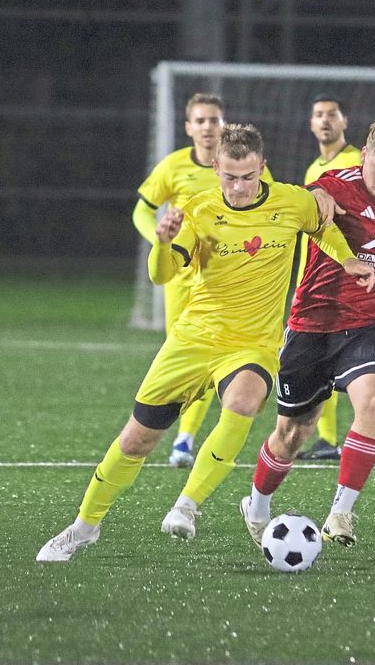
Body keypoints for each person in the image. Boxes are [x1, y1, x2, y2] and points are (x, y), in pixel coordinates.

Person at [38, 124, 374, 561]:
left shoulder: (292, 201)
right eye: (230, 176)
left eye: (248, 176)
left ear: (262, 167)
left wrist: (347, 259)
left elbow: (322, 227)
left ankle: (187, 505)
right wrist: (161, 244)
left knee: (244, 401)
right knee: (136, 440)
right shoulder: (197, 211)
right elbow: (162, 274)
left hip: (251, 345)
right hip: (193, 340)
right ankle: (83, 527)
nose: (239, 186)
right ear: (216, 168)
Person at [240, 117, 375, 549]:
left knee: (374, 401)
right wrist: (315, 194)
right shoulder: (334, 187)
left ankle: (341, 513)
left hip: (370, 325)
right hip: (314, 325)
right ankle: (257, 507)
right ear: (364, 155)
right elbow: (298, 201)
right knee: (292, 434)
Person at [133, 93, 274, 468]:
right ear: (188, 127)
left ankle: (184, 438)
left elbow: (269, 209)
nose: (208, 127)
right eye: (200, 120)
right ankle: (174, 431)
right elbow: (141, 210)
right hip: (182, 274)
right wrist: (161, 242)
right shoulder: (173, 166)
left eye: (214, 120)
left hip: (222, 277)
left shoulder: (245, 167)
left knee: (219, 352)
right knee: (187, 355)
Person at [296, 95, 375, 460]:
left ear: (345, 121)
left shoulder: (357, 166)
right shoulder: (315, 167)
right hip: (318, 281)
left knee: (338, 360)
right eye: (318, 114)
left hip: (356, 285)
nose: (325, 120)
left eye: (332, 114)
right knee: (318, 367)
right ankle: (328, 438)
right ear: (310, 122)